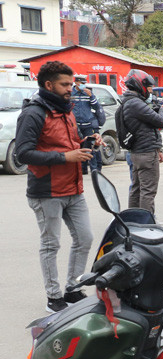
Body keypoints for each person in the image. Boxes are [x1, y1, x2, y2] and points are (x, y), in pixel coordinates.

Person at [16, 60, 97, 313]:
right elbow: (22, 154)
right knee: (51, 245)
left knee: (85, 238)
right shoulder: (33, 113)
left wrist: (88, 141)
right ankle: (53, 298)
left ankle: (73, 289)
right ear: (49, 85)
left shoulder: (66, 110)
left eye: (71, 84)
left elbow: (70, 143)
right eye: (65, 84)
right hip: (46, 191)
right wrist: (65, 157)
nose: (70, 88)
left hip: (73, 188)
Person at [119, 69, 163, 213]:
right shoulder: (135, 103)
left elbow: (148, 126)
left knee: (137, 188)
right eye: (148, 87)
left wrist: (159, 148)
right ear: (139, 85)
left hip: (137, 153)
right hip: (146, 153)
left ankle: (134, 220)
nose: (150, 90)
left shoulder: (130, 102)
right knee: (148, 191)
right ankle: (147, 222)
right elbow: (159, 121)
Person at [70, 74, 105, 174]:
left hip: (88, 125)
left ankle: (95, 170)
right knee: (79, 147)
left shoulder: (88, 93)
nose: (83, 85)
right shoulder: (71, 93)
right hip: (76, 126)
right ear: (76, 82)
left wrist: (91, 96)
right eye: (82, 83)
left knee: (91, 148)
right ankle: (83, 169)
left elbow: (96, 107)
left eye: (84, 83)